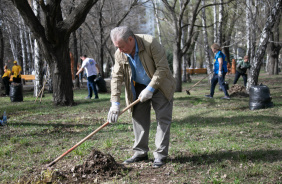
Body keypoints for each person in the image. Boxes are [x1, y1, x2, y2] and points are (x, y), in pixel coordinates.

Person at [107, 26, 176, 168]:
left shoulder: (150, 43)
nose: (119, 50)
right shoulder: (119, 53)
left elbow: (162, 68)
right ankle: (140, 153)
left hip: (160, 84)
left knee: (163, 118)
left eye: (121, 46)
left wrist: (150, 88)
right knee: (138, 118)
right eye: (117, 47)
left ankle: (160, 155)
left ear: (130, 39)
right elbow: (116, 77)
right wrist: (115, 103)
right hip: (137, 86)